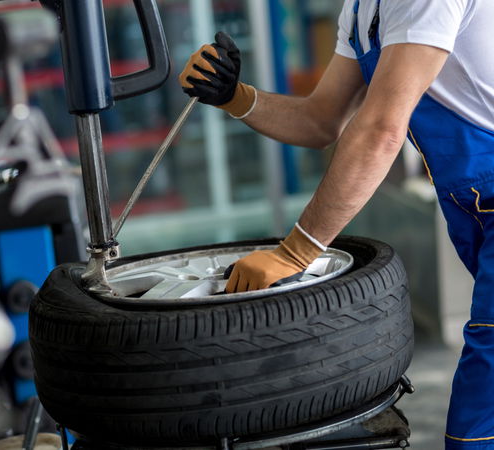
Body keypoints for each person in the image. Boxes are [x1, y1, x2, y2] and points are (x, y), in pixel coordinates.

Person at [179, 0, 494, 448]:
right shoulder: (362, 9)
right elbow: (321, 120)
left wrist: (296, 252)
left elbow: (382, 128)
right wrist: (235, 96)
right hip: (474, 209)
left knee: (479, 424)